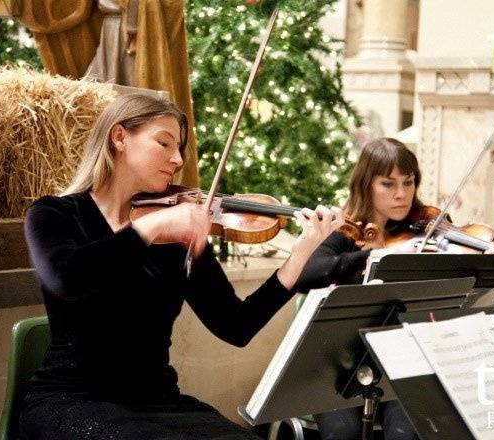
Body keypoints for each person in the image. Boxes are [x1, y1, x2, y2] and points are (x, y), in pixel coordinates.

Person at [19, 93, 344, 440]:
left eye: (180, 150)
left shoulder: (178, 231)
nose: (176, 159)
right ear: (119, 137)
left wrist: (300, 254)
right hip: (71, 400)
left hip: (158, 404)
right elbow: (65, 278)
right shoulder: (54, 214)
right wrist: (150, 228)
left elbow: (236, 326)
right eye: (164, 143)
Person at [295, 137, 494, 440]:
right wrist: (372, 257)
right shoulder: (347, 230)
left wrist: (491, 263)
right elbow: (305, 275)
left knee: (406, 433)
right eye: (388, 184)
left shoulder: (431, 228)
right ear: (366, 184)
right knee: (342, 433)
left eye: (408, 183)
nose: (401, 194)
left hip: (405, 361)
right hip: (342, 363)